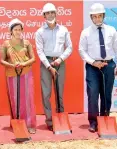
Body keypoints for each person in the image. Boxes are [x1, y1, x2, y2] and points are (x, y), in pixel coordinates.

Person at [78, 3, 117, 133]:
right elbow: (82, 50)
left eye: (99, 16)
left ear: (103, 16)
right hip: (92, 67)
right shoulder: (86, 32)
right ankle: (93, 122)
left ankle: (105, 120)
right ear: (91, 17)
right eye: (94, 17)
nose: (97, 19)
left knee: (106, 94)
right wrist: (93, 62)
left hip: (109, 65)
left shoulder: (112, 30)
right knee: (93, 94)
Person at [35, 3, 73, 131]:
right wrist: (49, 66)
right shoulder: (39, 32)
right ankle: (50, 121)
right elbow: (39, 51)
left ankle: (61, 119)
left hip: (60, 63)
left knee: (59, 93)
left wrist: (60, 59)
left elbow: (70, 47)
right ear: (44, 15)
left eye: (52, 12)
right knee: (46, 94)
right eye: (47, 13)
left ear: (56, 14)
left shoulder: (64, 30)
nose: (50, 15)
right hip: (46, 64)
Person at [0, 18, 36, 134]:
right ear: (11, 31)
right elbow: (2, 60)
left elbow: (33, 58)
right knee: (15, 99)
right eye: (15, 29)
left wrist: (24, 64)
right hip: (12, 74)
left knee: (28, 98)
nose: (18, 31)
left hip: (26, 73)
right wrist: (12, 65)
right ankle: (17, 124)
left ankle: (30, 124)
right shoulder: (6, 44)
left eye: (20, 29)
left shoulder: (26, 43)